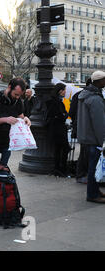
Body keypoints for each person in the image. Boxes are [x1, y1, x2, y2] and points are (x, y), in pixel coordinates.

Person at [77, 70, 105, 204]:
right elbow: (99, 123)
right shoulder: (95, 98)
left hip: (86, 137)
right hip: (94, 139)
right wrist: (103, 141)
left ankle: (95, 191)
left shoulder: (85, 95)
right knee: (94, 168)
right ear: (99, 82)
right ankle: (93, 194)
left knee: (92, 167)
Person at [69, 78, 92, 183]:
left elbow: (72, 112)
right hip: (85, 128)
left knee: (85, 151)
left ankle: (83, 173)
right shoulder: (84, 96)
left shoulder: (78, 95)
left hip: (81, 127)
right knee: (85, 151)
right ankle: (81, 174)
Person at [46, 83, 71, 177]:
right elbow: (61, 115)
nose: (65, 92)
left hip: (55, 129)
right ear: (60, 91)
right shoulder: (57, 102)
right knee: (65, 148)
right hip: (58, 129)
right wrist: (66, 114)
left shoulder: (54, 101)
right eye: (64, 90)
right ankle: (61, 169)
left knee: (58, 149)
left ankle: (57, 169)